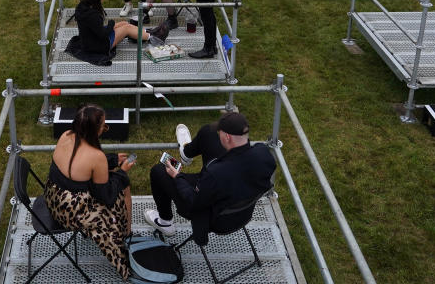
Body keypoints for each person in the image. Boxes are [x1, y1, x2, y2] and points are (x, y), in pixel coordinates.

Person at [144, 112, 276, 239]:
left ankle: (165, 223)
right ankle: (186, 152)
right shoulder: (263, 154)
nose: (218, 134)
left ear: (228, 137)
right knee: (208, 132)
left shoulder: (215, 174)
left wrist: (177, 176)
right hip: (244, 210)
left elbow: (193, 201)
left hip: (216, 219)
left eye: (221, 132)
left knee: (158, 171)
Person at [44, 103, 135, 281]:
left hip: (52, 199)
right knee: (120, 193)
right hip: (72, 213)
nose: (104, 129)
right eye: (103, 126)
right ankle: (125, 238)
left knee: (113, 183)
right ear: (94, 130)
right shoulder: (96, 156)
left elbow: (80, 166)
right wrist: (122, 172)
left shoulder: (65, 135)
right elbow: (106, 196)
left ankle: (125, 234)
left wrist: (112, 159)